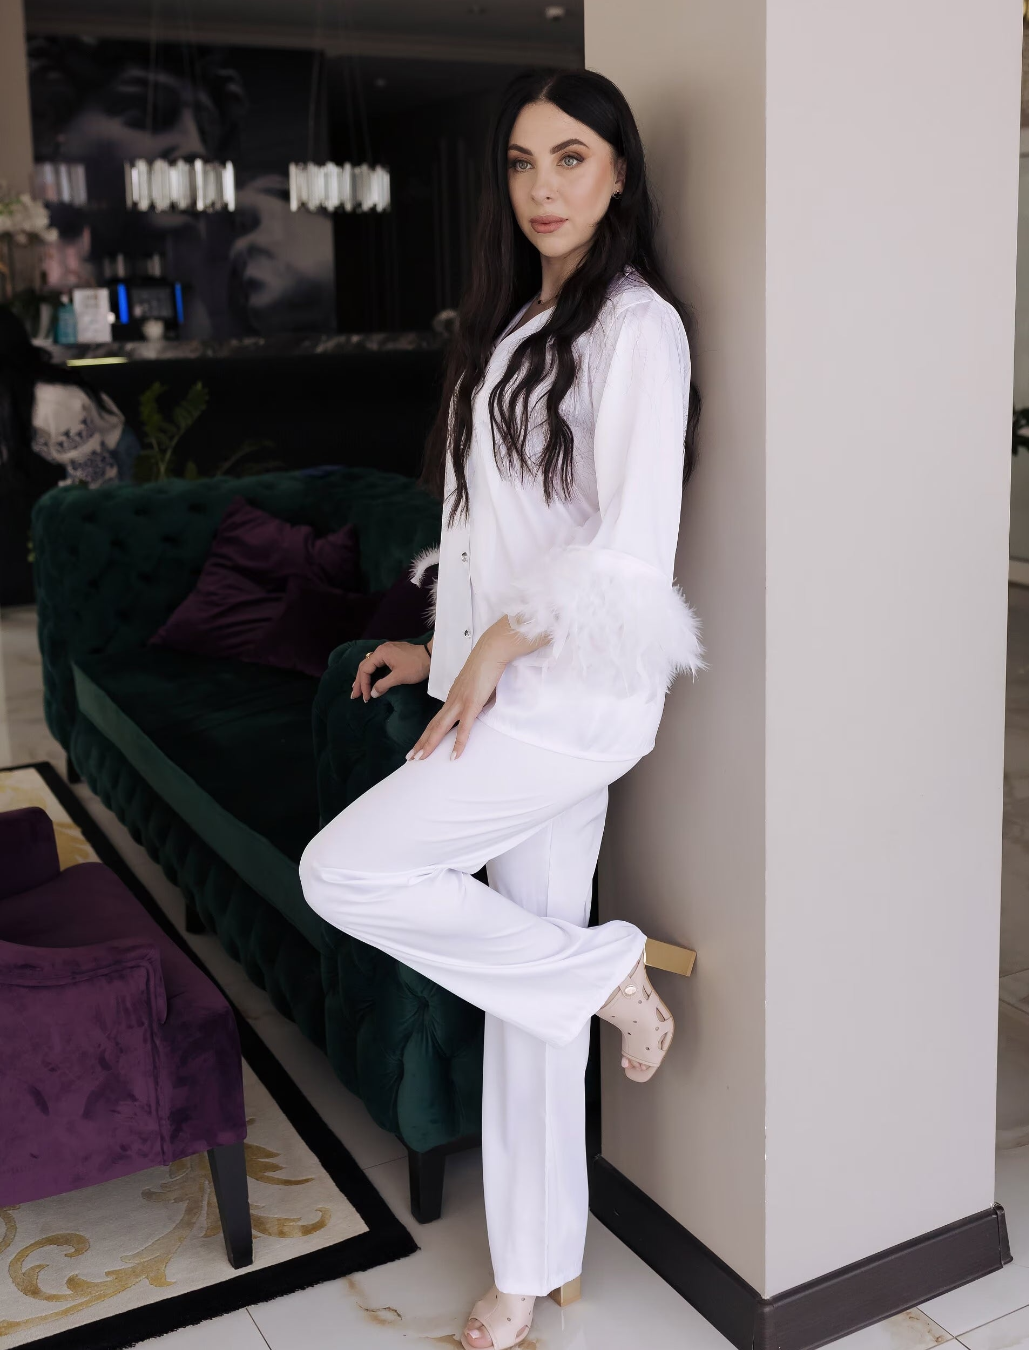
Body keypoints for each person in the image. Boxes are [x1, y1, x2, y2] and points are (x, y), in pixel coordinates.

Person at [299, 67, 705, 1350]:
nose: (543, 187)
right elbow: (486, 533)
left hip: (573, 699)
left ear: (620, 172)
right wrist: (444, 649)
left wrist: (496, 658)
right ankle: (528, 1271)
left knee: (342, 871)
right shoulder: (515, 326)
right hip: (505, 680)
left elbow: (627, 548)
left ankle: (603, 971)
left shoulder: (638, 328)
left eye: (571, 158)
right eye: (524, 162)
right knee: (524, 975)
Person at [0, 308, 140, 489]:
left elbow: (94, 474)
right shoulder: (10, 394)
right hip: (60, 461)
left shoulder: (52, 401)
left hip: (113, 457)